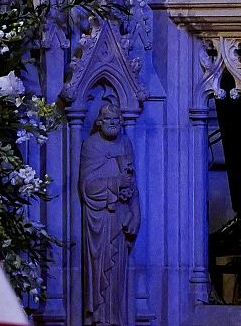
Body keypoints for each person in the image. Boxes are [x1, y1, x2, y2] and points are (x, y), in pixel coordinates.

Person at [80, 100, 139, 326]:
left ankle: (116, 319)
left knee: (117, 274)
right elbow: (86, 186)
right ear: (99, 122)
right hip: (99, 218)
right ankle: (98, 318)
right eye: (109, 120)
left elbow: (133, 182)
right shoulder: (91, 145)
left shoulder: (126, 143)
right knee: (99, 271)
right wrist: (115, 183)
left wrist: (136, 213)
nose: (113, 124)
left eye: (117, 120)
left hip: (120, 216)